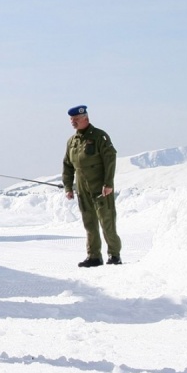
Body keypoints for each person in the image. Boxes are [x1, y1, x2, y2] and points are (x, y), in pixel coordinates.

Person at [62, 105, 122, 267]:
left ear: (85, 119)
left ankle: (114, 255)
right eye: (71, 120)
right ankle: (94, 256)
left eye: (76, 119)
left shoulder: (99, 137)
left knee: (106, 221)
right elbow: (68, 165)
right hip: (82, 188)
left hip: (101, 187)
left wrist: (108, 183)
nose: (72, 122)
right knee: (89, 223)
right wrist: (68, 187)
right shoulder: (72, 142)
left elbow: (110, 159)